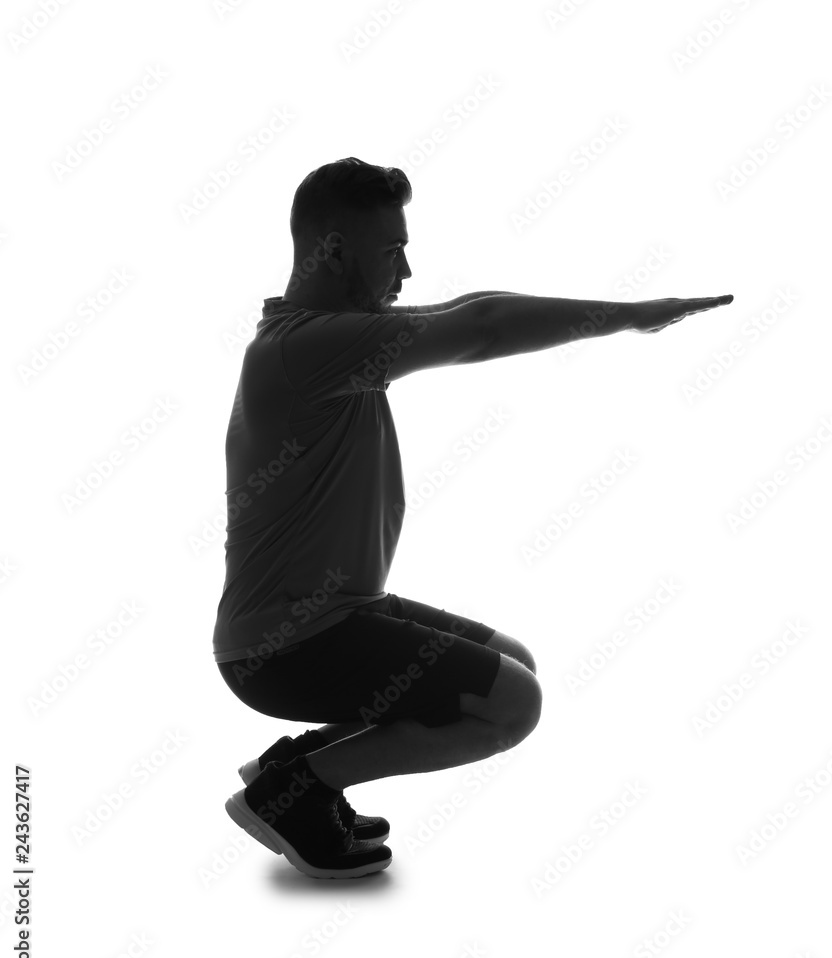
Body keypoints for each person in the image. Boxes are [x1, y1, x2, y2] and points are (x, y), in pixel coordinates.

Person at [215, 156, 733, 879]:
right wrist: (628, 319)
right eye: (392, 247)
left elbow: (472, 305)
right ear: (333, 250)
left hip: (333, 615)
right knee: (512, 706)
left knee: (512, 661)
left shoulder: (328, 338)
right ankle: (294, 792)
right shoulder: (304, 350)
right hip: (285, 644)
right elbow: (481, 325)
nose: (406, 268)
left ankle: (295, 769)